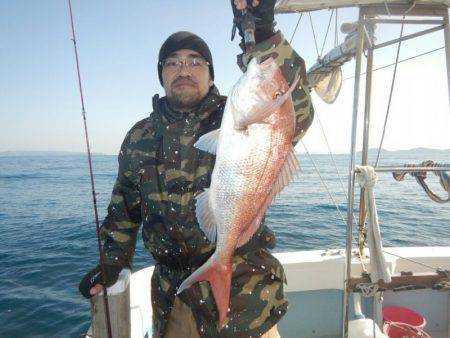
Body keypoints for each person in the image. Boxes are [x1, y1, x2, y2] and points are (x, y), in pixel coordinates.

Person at [79, 1, 314, 337]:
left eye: (195, 62)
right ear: (162, 75)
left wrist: (264, 32)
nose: (183, 69)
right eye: (173, 63)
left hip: (246, 296)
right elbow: (124, 208)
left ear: (211, 73)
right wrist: (114, 259)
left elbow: (295, 110)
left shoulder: (235, 116)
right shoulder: (139, 136)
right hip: (172, 297)